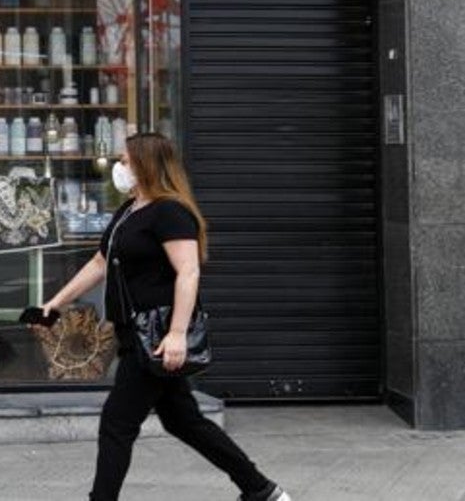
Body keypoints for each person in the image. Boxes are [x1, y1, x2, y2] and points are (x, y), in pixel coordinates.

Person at [40, 132, 291, 501]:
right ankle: (260, 490)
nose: (118, 167)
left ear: (146, 164)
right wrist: (56, 303)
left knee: (117, 423)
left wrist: (176, 335)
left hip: (155, 335)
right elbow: (99, 262)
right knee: (184, 421)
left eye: (125, 161)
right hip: (133, 331)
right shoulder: (130, 210)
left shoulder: (170, 211)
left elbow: (188, 272)